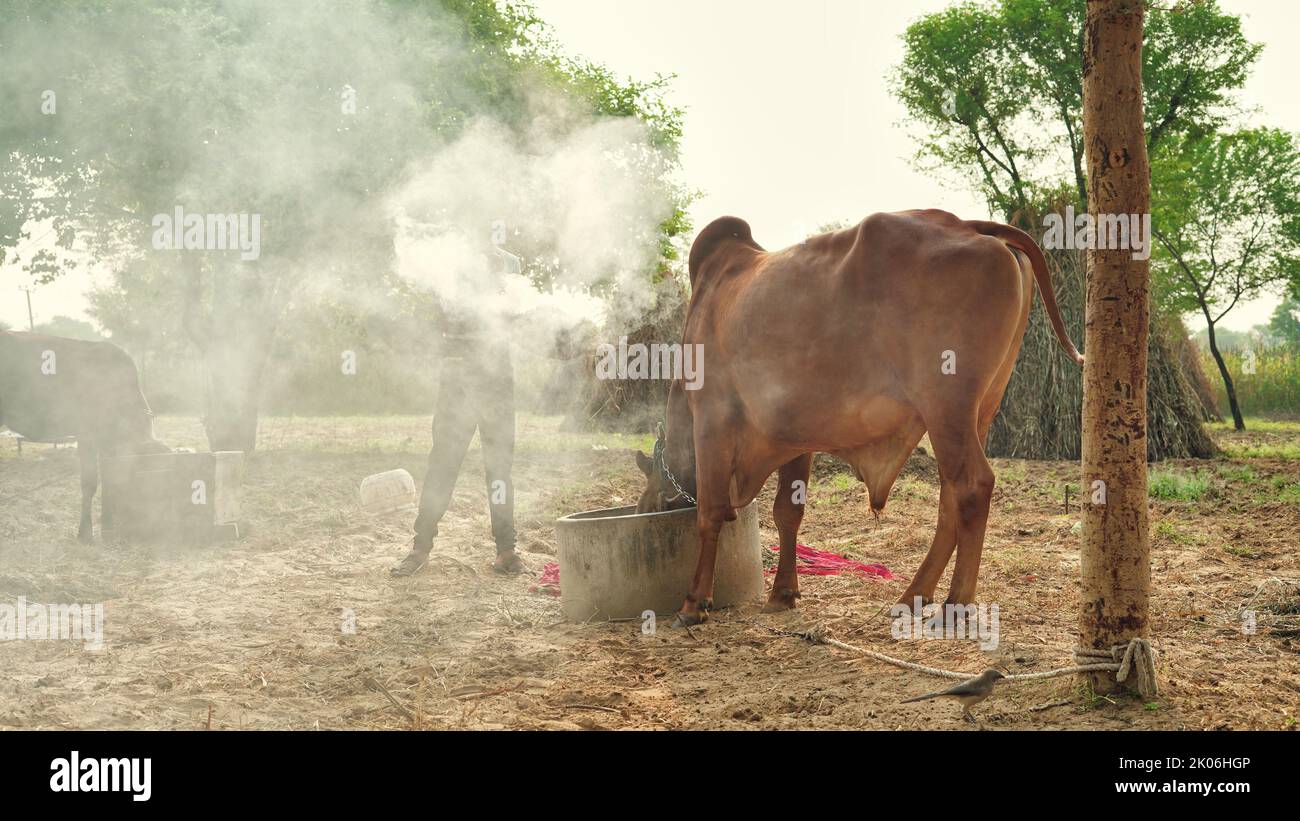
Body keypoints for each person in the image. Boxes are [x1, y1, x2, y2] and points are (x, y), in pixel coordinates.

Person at [392, 246, 527, 576]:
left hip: (497, 384)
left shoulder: (510, 264)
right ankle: (420, 548)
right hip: (457, 384)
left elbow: (518, 317)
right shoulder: (450, 260)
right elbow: (437, 320)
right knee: (442, 467)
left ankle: (506, 551)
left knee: (499, 472)